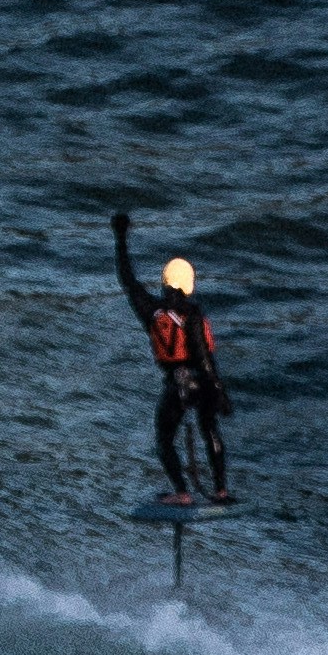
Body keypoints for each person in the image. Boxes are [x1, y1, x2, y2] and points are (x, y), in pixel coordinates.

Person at [111, 211, 231, 505]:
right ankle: (220, 490)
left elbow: (128, 280)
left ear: (165, 282)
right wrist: (218, 390)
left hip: (176, 385)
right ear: (188, 284)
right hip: (201, 382)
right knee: (210, 431)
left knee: (164, 441)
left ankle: (182, 492)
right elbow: (203, 357)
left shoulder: (151, 311)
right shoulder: (193, 315)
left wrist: (120, 239)